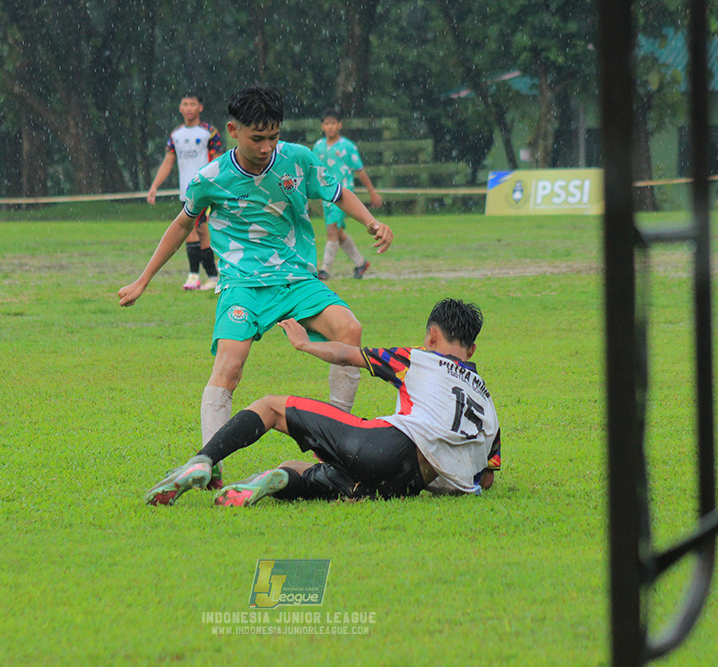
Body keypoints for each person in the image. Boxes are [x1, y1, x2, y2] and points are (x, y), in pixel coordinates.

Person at [119, 85, 393, 489]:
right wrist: (143, 280)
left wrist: (371, 222)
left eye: (273, 137)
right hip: (242, 284)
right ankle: (210, 463)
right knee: (229, 366)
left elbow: (338, 192)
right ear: (233, 130)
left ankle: (335, 447)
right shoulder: (211, 178)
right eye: (257, 138)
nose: (266, 147)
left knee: (349, 329)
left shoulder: (298, 159)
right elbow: (181, 226)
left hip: (296, 278)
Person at [144, 298, 502, 506]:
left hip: (387, 445)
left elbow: (348, 355)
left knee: (272, 406)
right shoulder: (487, 405)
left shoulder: (418, 358)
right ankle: (274, 479)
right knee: (313, 474)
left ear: (432, 336)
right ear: (471, 349)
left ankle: (203, 460)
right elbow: (485, 479)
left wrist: (304, 344)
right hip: (406, 485)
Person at [146, 92, 224, 291]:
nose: (189, 108)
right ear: (180, 108)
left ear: (200, 107)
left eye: (192, 104)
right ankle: (201, 276)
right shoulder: (176, 135)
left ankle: (206, 276)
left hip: (205, 191)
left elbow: (219, 160)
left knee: (201, 230)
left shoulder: (209, 133)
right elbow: (168, 161)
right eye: (185, 104)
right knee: (192, 230)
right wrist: (155, 186)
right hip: (186, 192)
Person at [312, 109, 384, 281]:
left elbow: (359, 170)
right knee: (338, 232)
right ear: (322, 126)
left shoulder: (348, 147)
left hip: (343, 195)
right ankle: (360, 263)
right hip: (326, 195)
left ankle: (324, 269)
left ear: (340, 125)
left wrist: (372, 192)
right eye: (327, 123)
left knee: (332, 230)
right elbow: (313, 170)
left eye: (333, 123)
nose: (330, 126)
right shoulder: (318, 147)